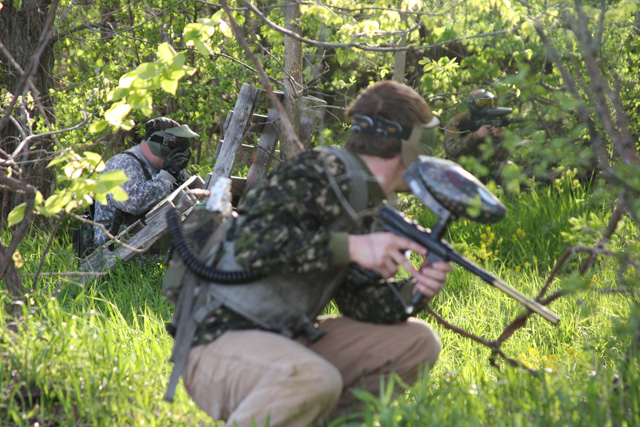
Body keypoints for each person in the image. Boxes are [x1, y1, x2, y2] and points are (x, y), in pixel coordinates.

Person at [167, 81, 453, 426]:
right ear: (410, 145)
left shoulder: (364, 202)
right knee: (314, 379)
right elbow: (252, 243)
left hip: (286, 335)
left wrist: (418, 288)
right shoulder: (319, 172)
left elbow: (358, 303)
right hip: (216, 341)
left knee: (417, 342)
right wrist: (354, 247)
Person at [91, 117, 199, 248]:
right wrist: (167, 176)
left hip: (157, 246)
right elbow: (134, 203)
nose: (181, 151)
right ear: (158, 141)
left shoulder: (173, 168)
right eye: (176, 143)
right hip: (119, 253)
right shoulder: (121, 164)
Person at [443, 89, 510, 180]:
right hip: (463, 167)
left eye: (489, 102)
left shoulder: (494, 121)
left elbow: (502, 156)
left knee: (509, 167)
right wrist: (475, 136)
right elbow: (451, 149)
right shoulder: (458, 121)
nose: (486, 106)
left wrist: (498, 138)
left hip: (485, 166)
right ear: (472, 103)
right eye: (481, 102)